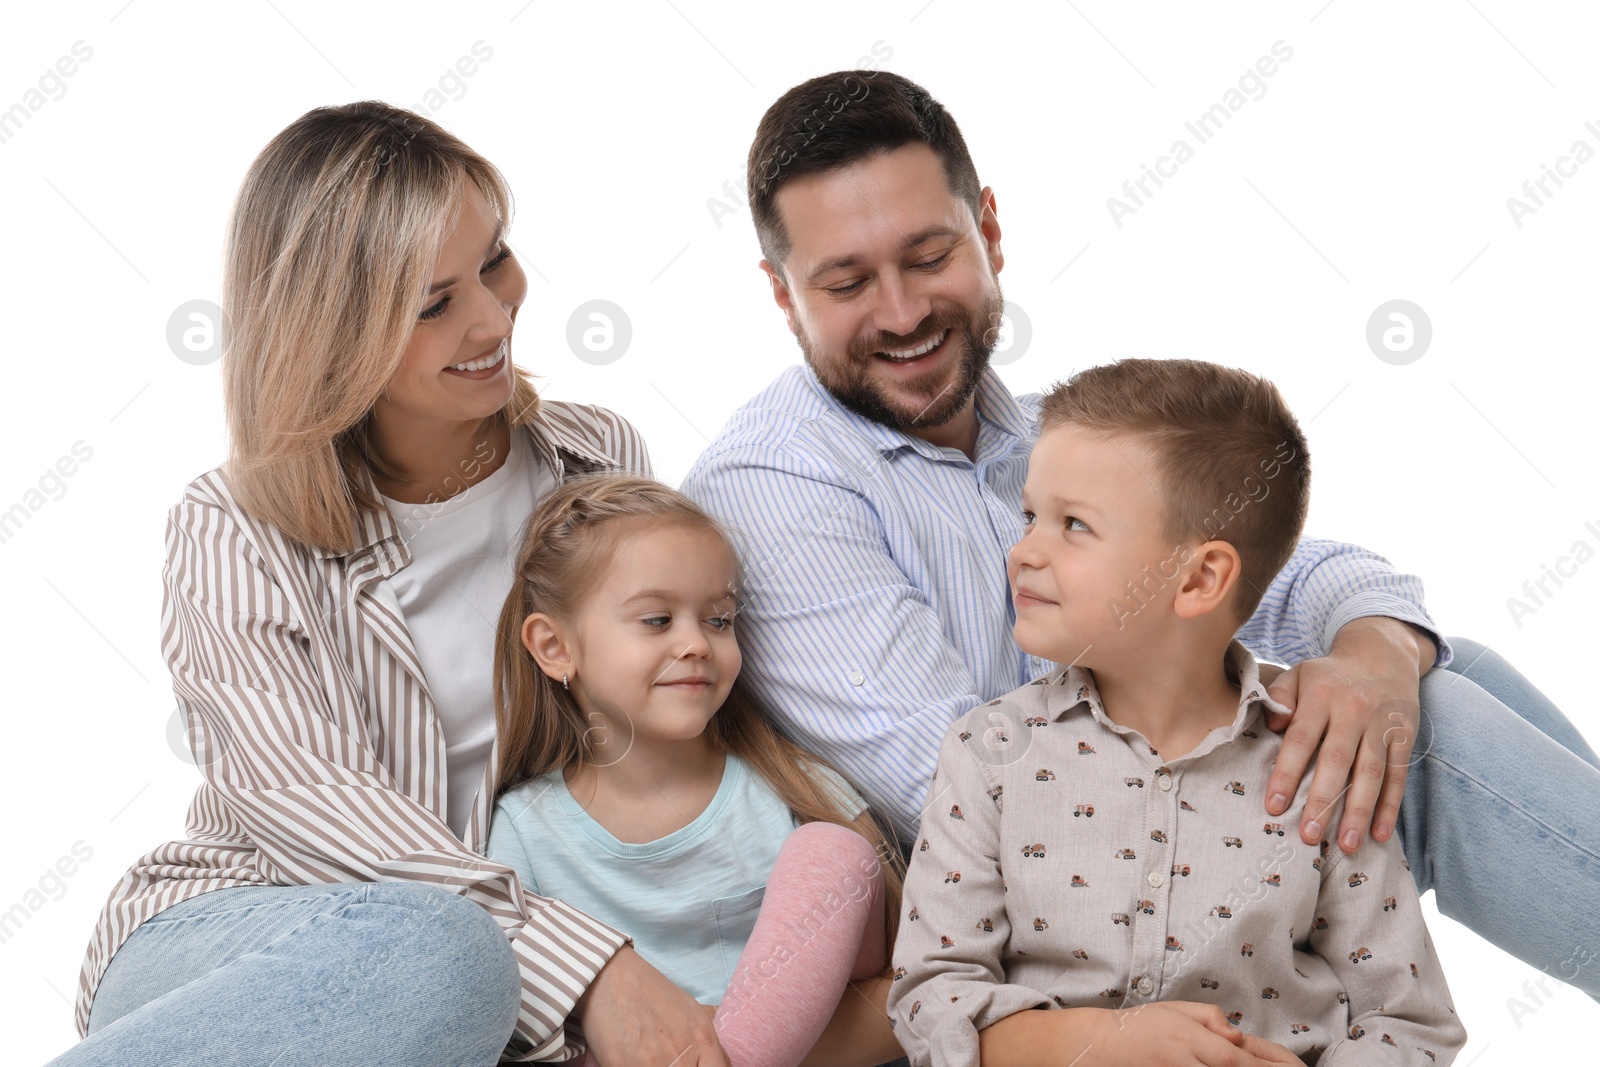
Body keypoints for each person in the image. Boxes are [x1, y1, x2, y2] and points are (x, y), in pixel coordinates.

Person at [679, 69, 1600, 997]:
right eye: (846, 282)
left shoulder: (1045, 435)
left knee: (1437, 670)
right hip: (1042, 923)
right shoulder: (774, 488)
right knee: (1423, 736)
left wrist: (1374, 654)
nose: (904, 312)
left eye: (928, 256)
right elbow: (965, 806)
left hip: (1141, 846)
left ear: (989, 230)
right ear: (782, 293)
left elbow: (1288, 566)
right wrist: (1307, 724)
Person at [51, 102, 728, 1067]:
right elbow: (312, 803)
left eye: (494, 260)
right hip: (254, 929)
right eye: (432, 303)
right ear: (334, 331)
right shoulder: (229, 525)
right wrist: (586, 967)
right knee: (441, 951)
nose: (495, 317)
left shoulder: (596, 461)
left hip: (493, 981)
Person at [887, 358, 1466, 1066]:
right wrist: (1099, 1043)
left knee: (1459, 689)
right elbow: (929, 996)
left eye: (1073, 525)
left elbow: (1411, 1020)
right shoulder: (989, 750)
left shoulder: (1318, 757)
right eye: (1030, 514)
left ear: (1198, 577)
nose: (1024, 550)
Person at [484, 474, 906, 1067]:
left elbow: (904, 991)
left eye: (719, 620)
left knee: (834, 853)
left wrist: (733, 1047)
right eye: (657, 620)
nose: (697, 644)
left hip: (821, 1046)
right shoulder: (525, 827)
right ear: (555, 648)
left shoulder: (794, 786)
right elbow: (527, 1022)